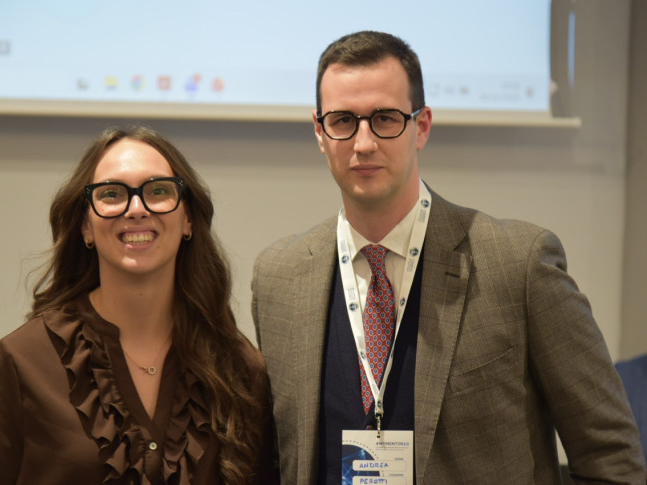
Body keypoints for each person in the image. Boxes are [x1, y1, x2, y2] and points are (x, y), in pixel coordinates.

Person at [251, 30, 646, 484]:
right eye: (343, 121)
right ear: (320, 132)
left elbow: (610, 455)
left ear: (421, 126)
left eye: (384, 118)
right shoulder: (279, 279)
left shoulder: (518, 266)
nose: (363, 143)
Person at [0, 126, 277, 484]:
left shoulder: (239, 370)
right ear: (85, 227)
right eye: (112, 194)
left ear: (188, 220)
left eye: (158, 191)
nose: (136, 209)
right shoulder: (22, 361)